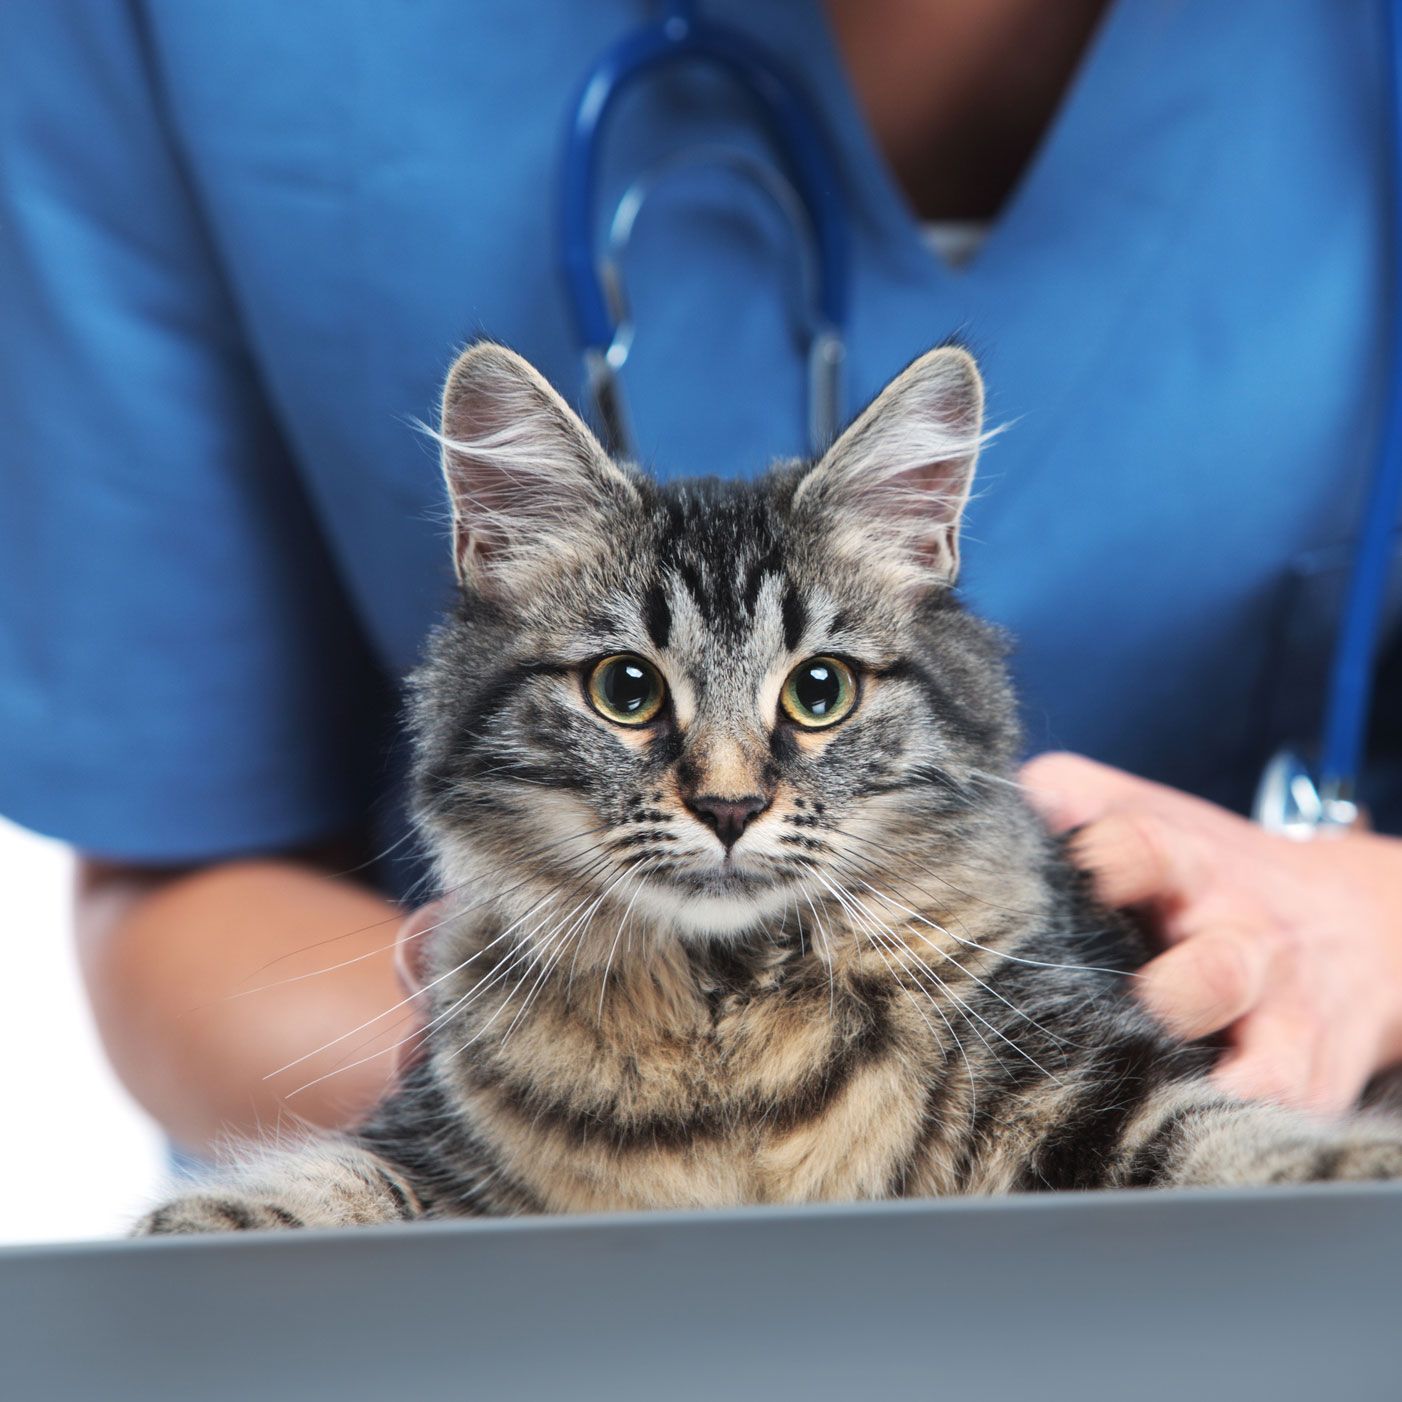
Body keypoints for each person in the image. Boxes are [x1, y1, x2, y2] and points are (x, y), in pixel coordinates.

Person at [1, 0, 1399, 1155]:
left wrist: (1369, 917)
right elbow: (172, 870)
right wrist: (579, 1106)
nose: (729, 783)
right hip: (524, 1281)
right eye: (624, 685)